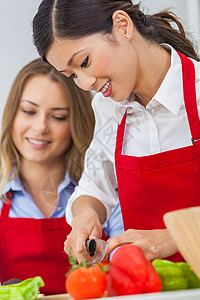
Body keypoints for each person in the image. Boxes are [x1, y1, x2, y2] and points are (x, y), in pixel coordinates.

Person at [32, 0, 200, 264]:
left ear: (122, 26)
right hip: (149, 290)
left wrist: (173, 239)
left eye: (84, 62)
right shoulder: (109, 108)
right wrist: (86, 216)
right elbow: (95, 187)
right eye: (72, 76)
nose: (86, 84)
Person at [0, 58, 124, 295]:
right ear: (12, 115)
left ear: (76, 123)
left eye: (57, 117)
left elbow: (128, 269)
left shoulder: (105, 192)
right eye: (29, 111)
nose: (40, 127)